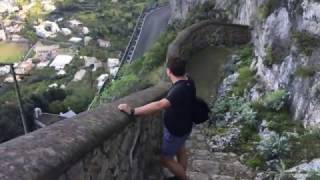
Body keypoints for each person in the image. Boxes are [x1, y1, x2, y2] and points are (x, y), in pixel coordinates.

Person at [118, 56, 196, 180]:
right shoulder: (189, 81)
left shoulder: (178, 90)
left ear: (168, 71)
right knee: (181, 149)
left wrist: (133, 111)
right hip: (186, 125)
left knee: (165, 158)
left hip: (176, 130)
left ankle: (183, 178)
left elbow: (159, 104)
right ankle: (180, 174)